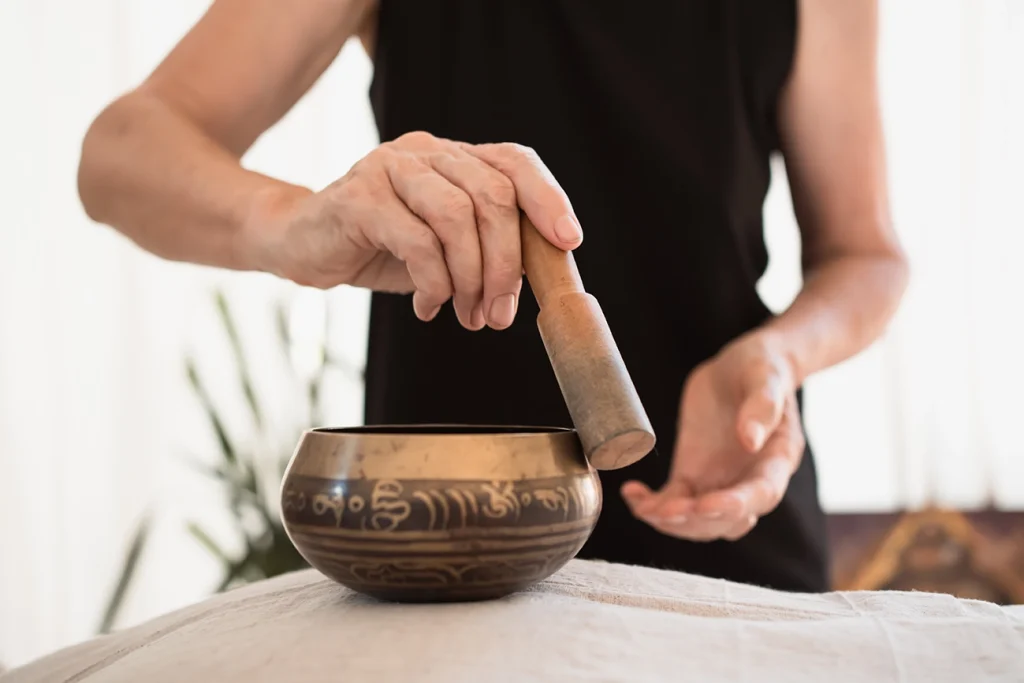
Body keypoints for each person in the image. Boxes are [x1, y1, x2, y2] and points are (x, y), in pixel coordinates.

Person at [77, 0, 908, 592]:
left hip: (726, 530)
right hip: (443, 540)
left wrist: (775, 355)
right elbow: (119, 155)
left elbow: (864, 255)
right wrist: (292, 225)